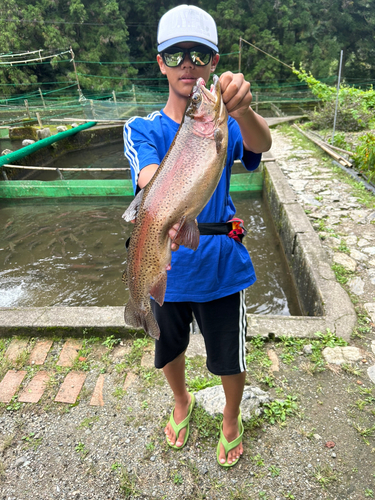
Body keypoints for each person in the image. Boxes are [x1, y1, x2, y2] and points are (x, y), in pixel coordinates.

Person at [124, 4, 272, 467]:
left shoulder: (224, 123)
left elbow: (261, 146)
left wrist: (243, 110)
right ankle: (182, 401)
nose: (188, 64)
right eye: (175, 55)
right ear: (160, 63)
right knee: (168, 347)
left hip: (221, 266)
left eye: (199, 54)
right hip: (165, 261)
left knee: (230, 357)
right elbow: (148, 177)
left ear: (214, 60)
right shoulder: (142, 127)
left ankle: (231, 418)